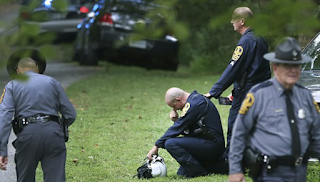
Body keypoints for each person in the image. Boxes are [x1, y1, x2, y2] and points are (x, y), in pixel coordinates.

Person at [228, 37, 320, 182]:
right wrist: (235, 170)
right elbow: (239, 133)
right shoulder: (258, 95)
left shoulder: (306, 96)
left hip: (299, 172)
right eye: (287, 65)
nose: (293, 70)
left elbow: (317, 135)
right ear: (275, 67)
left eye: (296, 65)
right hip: (269, 173)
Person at [204, 7, 271, 162]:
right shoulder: (261, 38)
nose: (231, 22)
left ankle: (230, 160)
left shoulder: (246, 41)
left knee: (235, 125)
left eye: (234, 18)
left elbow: (233, 68)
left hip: (246, 92)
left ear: (242, 21)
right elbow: (262, 70)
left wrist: (213, 92)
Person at [0, 49, 77, 182]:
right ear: (37, 69)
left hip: (27, 136)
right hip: (54, 134)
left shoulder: (12, 85)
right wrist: (58, 127)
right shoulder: (53, 82)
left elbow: (5, 118)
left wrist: (2, 150)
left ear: (18, 71)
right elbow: (70, 114)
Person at [147, 87, 225, 178]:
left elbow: (177, 128)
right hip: (206, 143)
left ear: (178, 100)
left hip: (213, 145)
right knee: (182, 173)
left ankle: (198, 172)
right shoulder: (194, 100)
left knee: (170, 143)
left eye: (173, 106)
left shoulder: (195, 104)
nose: (174, 110)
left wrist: (156, 146)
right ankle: (215, 166)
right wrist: (176, 120)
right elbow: (188, 132)